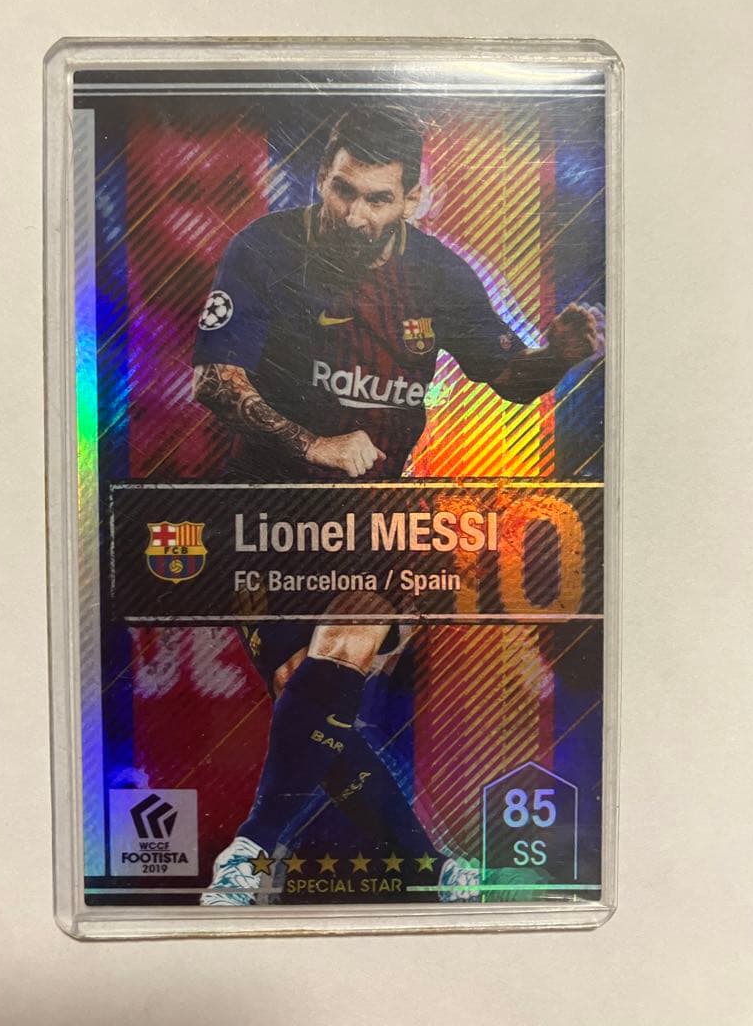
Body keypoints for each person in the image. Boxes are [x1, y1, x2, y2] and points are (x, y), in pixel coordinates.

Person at [192, 105, 600, 905]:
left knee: (341, 650)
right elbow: (213, 380)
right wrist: (312, 442)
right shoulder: (265, 250)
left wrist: (559, 353)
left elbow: (508, 377)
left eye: (377, 198)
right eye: (342, 191)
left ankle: (249, 853)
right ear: (322, 178)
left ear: (412, 197)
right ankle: (430, 866)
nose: (354, 214)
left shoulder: (438, 276)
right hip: (262, 509)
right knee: (308, 698)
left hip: (372, 516)